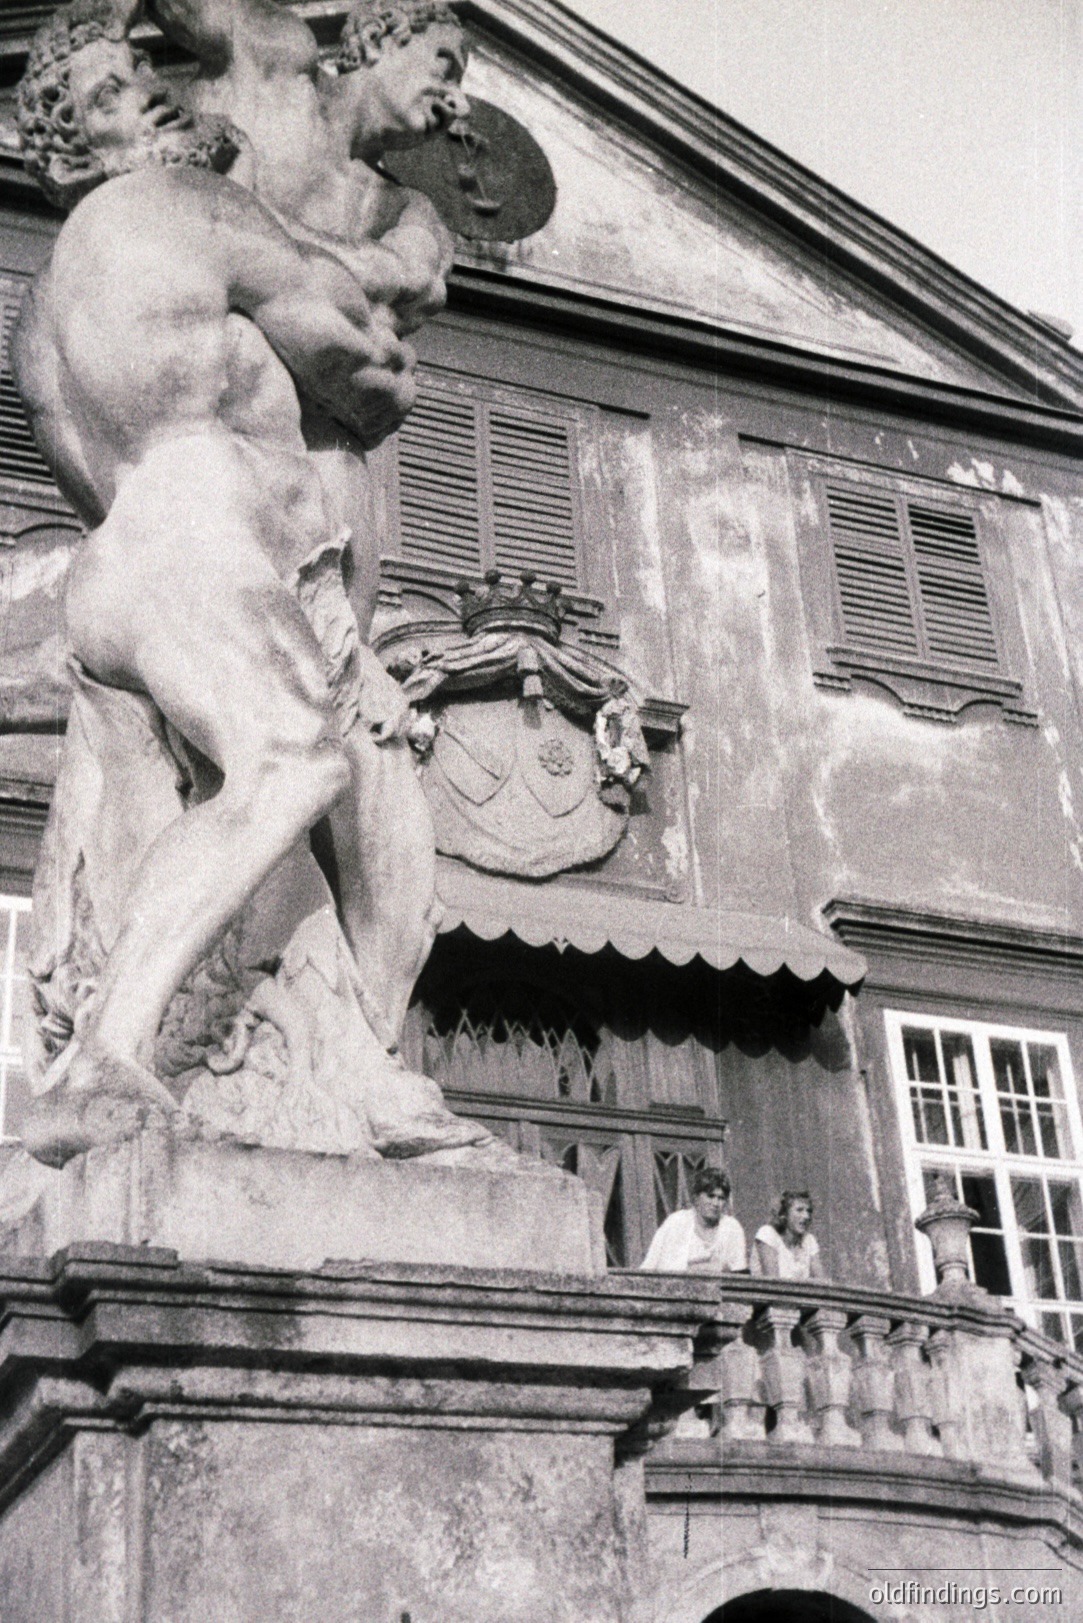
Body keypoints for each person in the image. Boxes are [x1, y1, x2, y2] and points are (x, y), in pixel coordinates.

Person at [10, 2, 469, 1160]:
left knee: (294, 807)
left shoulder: (37, 309)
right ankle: (101, 1054)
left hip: (117, 569)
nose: (160, 97)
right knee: (292, 761)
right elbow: (366, 360)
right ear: (79, 149)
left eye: (148, 75)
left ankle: (346, 1076)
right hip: (200, 534)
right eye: (120, 93)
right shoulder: (189, 206)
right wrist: (385, 273)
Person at [640, 1169, 747, 1274]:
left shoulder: (732, 1227)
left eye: (721, 1198)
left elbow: (738, 1272)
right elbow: (650, 1265)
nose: (715, 1203)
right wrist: (700, 1267)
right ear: (696, 1197)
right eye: (710, 1196)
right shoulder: (676, 1222)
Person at [750, 1191, 825, 1281]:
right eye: (799, 1210)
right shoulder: (767, 1234)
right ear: (784, 1214)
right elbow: (773, 1283)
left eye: (809, 1211)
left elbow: (822, 1282)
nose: (806, 1216)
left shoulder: (809, 1240)